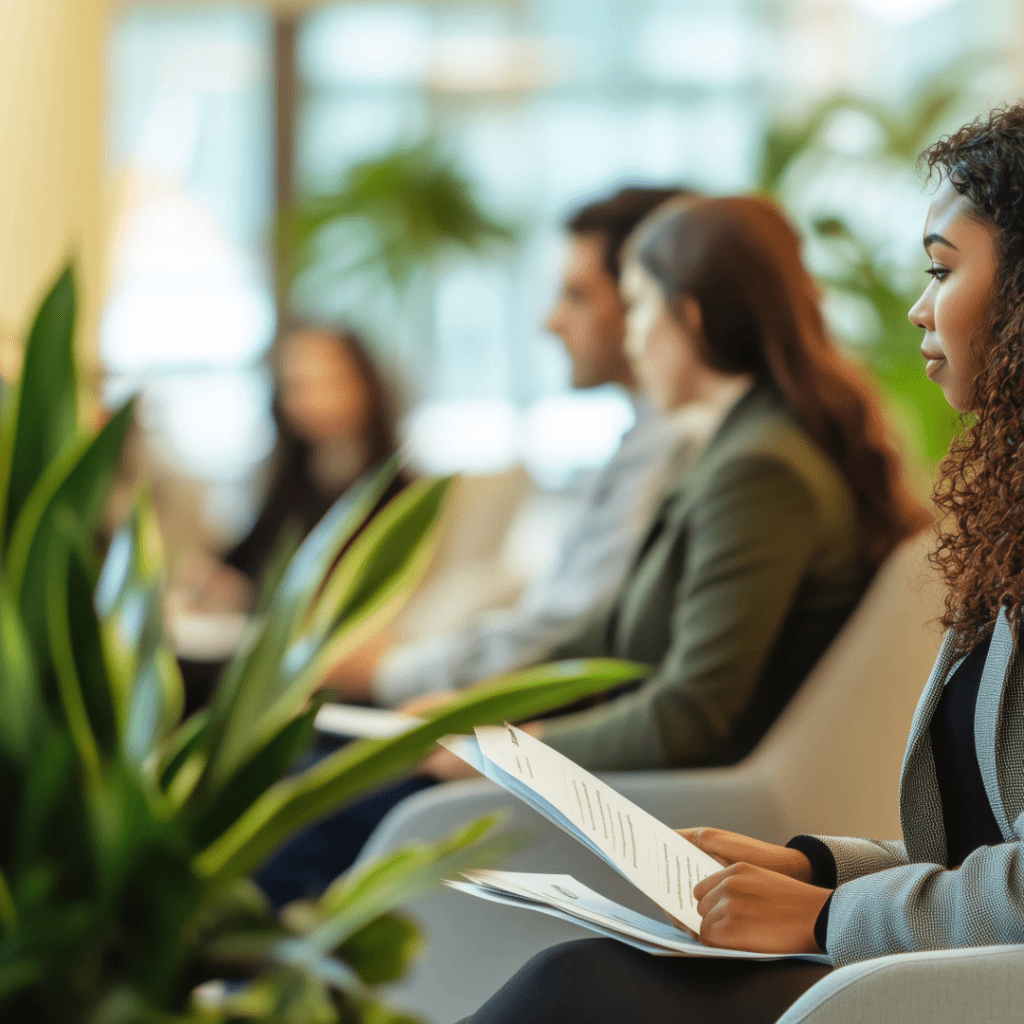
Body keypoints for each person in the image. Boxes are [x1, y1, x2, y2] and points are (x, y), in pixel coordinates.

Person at [459, 103, 1024, 1024]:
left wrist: (829, 912)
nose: (921, 307)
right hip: (953, 969)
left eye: (942, 270)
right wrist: (816, 867)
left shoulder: (759, 465)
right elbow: (984, 846)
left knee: (577, 989)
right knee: (578, 978)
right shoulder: (1005, 526)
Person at [421, 192, 926, 779]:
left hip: (694, 806)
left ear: (689, 317)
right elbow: (603, 630)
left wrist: (506, 752)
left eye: (635, 307)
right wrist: (473, 706)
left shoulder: (760, 471)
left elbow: (690, 717)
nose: (632, 338)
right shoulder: (739, 444)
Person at [336, 186, 697, 708]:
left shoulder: (669, 447)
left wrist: (395, 673)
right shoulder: (643, 440)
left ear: (651, 301)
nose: (549, 322)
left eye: (578, 295)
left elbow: (571, 628)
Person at [172, 323, 408, 711]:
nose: (308, 399)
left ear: (364, 383)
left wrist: (249, 598)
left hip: (326, 669)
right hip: (251, 642)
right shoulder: (291, 481)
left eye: (324, 381)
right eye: (296, 385)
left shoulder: (393, 495)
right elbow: (245, 561)